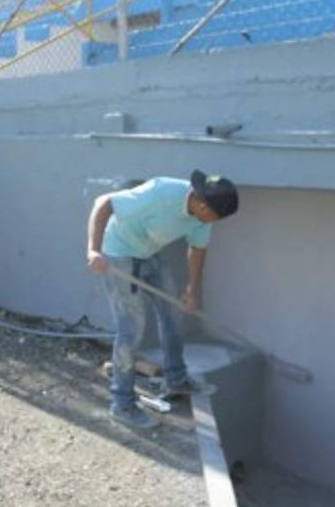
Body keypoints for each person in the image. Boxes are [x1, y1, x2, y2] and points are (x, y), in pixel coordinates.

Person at [86, 170, 240, 429]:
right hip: (119, 255)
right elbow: (104, 203)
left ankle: (176, 379)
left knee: (173, 312)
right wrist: (93, 249)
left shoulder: (205, 214)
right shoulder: (160, 192)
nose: (212, 222)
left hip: (149, 254)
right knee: (131, 329)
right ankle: (122, 404)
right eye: (212, 217)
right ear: (201, 205)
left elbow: (197, 249)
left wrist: (192, 290)